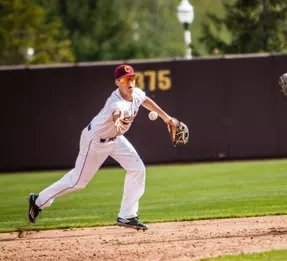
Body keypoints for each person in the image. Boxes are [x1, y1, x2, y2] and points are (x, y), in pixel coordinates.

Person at [28, 64, 180, 230]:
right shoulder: (116, 102)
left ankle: (127, 215)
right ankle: (39, 200)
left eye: (132, 78)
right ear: (117, 82)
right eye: (124, 79)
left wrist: (168, 119)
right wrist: (116, 120)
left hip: (115, 139)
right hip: (95, 141)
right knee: (78, 182)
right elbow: (117, 112)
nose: (129, 82)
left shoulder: (135, 93)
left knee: (138, 169)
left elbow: (145, 101)